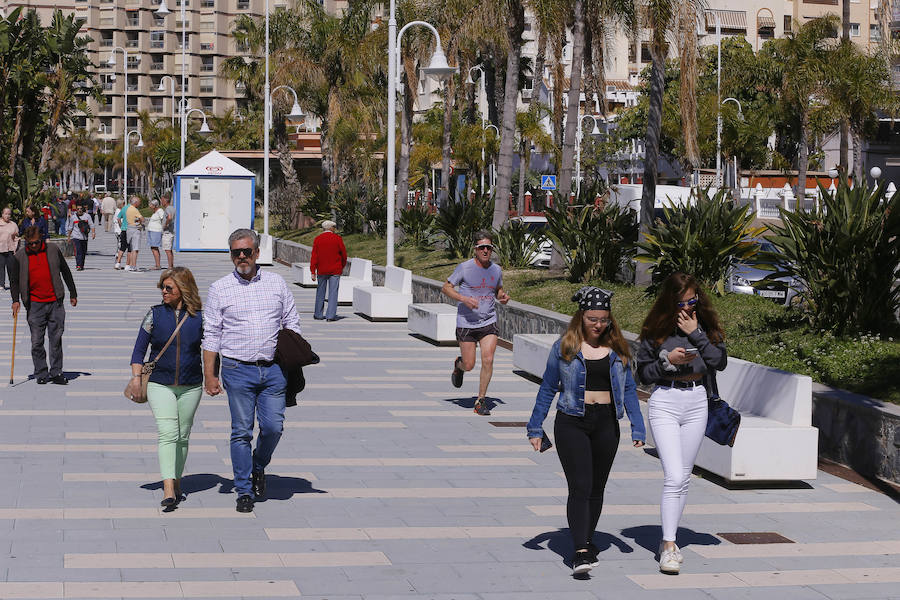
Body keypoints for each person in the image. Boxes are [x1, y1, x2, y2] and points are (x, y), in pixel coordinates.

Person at [526, 287, 646, 575]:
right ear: (581, 316)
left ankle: (588, 540)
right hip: (572, 422)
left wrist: (638, 427)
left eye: (604, 319)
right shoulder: (564, 347)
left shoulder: (618, 350)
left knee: (596, 488)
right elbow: (547, 387)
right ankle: (580, 550)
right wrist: (535, 427)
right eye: (593, 319)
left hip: (606, 423)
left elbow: (630, 389)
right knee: (580, 485)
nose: (598, 324)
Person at [202, 228, 302, 513]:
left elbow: (291, 321)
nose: (242, 257)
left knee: (273, 427)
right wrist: (210, 375)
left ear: (257, 252)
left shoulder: (276, 283)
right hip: (237, 370)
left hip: (274, 370)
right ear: (231, 255)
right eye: (237, 252)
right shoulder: (220, 288)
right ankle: (244, 489)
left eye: (247, 251)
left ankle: (258, 465)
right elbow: (211, 334)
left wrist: (291, 350)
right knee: (241, 431)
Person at [636, 272, 727, 575]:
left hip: (697, 399)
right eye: (682, 302)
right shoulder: (656, 329)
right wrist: (668, 361)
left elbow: (719, 362)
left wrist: (696, 334)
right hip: (665, 400)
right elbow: (643, 375)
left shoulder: (705, 326)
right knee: (674, 476)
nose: (688, 307)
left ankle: (670, 539)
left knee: (684, 476)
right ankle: (668, 545)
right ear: (670, 301)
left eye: (692, 300)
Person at [128, 267, 205, 508]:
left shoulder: (200, 317)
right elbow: (139, 350)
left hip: (192, 385)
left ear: (183, 289)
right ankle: (168, 487)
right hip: (159, 383)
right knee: (168, 433)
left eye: (168, 287)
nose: (163, 291)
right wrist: (137, 378)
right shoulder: (154, 314)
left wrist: (214, 376)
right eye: (162, 287)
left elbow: (211, 349)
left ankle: (177, 479)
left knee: (183, 435)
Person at [442, 230, 510, 416]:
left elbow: (497, 289)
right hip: (466, 323)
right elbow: (446, 288)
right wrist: (464, 299)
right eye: (482, 247)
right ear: (475, 249)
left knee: (488, 359)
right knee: (469, 365)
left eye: (489, 247)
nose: (486, 251)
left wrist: (502, 297)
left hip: (488, 321)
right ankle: (459, 366)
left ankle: (481, 401)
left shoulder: (496, 270)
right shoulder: (464, 268)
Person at [8, 226, 77, 385]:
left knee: (56, 339)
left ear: (41, 239)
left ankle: (56, 372)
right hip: (34, 304)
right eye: (30, 243)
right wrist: (15, 300)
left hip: (55, 302)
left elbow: (65, 271)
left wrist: (73, 293)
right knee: (36, 341)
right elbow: (14, 281)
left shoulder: (53, 250)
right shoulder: (20, 257)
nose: (33, 246)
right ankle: (41, 372)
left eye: (36, 243)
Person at [309, 220, 347, 321]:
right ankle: (330, 316)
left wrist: (313, 271)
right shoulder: (337, 239)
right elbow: (344, 255)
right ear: (331, 228)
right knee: (333, 293)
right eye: (334, 227)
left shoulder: (318, 239)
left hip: (321, 270)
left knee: (320, 292)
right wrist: (341, 266)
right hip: (335, 270)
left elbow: (314, 256)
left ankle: (318, 314)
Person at [67, 204, 95, 271]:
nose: (79, 210)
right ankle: (78, 265)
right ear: (76, 210)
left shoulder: (87, 216)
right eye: (78, 209)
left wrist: (93, 233)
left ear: (83, 209)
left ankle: (81, 265)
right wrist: (68, 237)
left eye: (81, 209)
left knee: (83, 252)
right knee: (78, 251)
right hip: (76, 237)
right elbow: (70, 227)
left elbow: (91, 225)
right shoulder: (73, 217)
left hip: (84, 237)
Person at [0, 207, 18, 291]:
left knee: (11, 268)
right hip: (1, 249)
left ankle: (13, 284)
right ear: (2, 214)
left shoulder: (13, 225)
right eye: (6, 214)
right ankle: (1, 284)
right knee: (1, 267)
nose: (7, 216)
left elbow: (16, 238)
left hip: (10, 249)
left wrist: (15, 248)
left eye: (9, 214)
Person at [124, 196, 144, 272]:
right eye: (139, 202)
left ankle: (131, 265)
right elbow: (142, 219)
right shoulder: (135, 210)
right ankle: (133, 266)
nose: (140, 203)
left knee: (132, 248)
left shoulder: (128, 208)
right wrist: (141, 222)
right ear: (135, 202)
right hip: (135, 230)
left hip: (129, 228)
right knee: (135, 249)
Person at [146, 199, 166, 270]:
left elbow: (164, 219)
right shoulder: (155, 212)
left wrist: (164, 228)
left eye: (151, 205)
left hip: (156, 231)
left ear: (155, 205)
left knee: (154, 248)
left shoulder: (160, 211)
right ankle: (157, 264)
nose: (150, 206)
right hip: (151, 231)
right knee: (153, 248)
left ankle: (158, 265)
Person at [161, 194, 176, 269]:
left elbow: (169, 217)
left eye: (162, 200)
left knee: (167, 250)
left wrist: (165, 224)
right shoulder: (172, 208)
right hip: (171, 232)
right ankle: (171, 266)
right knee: (169, 250)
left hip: (167, 232)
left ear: (165, 200)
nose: (161, 202)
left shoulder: (168, 209)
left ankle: (170, 267)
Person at [113, 199, 127, 269]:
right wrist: (123, 228)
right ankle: (117, 263)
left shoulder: (117, 210)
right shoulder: (119, 211)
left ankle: (118, 262)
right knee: (120, 247)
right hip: (119, 231)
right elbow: (119, 221)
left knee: (119, 247)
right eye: (124, 203)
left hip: (117, 230)